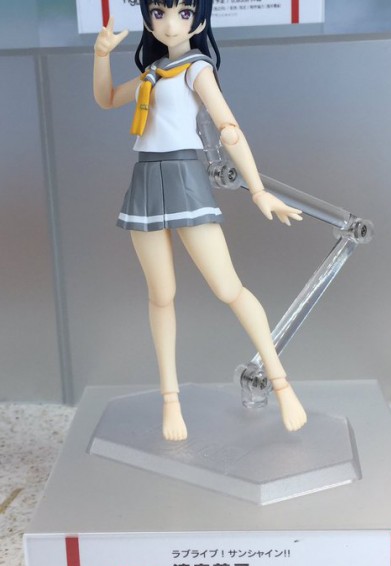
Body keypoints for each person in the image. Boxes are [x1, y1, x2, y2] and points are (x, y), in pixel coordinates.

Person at [93, 0, 307, 441]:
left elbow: (230, 128)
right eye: (160, 13)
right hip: (146, 180)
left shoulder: (196, 69)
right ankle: (170, 401)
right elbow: (107, 98)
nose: (171, 24)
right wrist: (99, 56)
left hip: (185, 177)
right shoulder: (152, 72)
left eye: (184, 13)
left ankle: (282, 385)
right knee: (161, 296)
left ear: (200, 20)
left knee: (228, 288)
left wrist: (258, 189)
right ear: (149, 18)